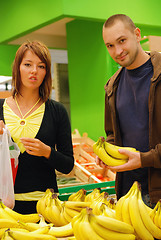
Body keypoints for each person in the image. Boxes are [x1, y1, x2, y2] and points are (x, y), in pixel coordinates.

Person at [0, 40, 74, 213]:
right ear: (17, 68)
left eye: (41, 66)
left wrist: (47, 152)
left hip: (46, 205)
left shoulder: (57, 111)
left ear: (46, 72)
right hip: (4, 204)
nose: (34, 71)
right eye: (27, 64)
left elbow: (68, 165)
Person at [96, 14, 161, 207]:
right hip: (127, 194)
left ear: (137, 34)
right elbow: (112, 135)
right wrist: (106, 151)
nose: (117, 51)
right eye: (110, 45)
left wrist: (144, 159)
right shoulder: (112, 86)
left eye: (122, 41)